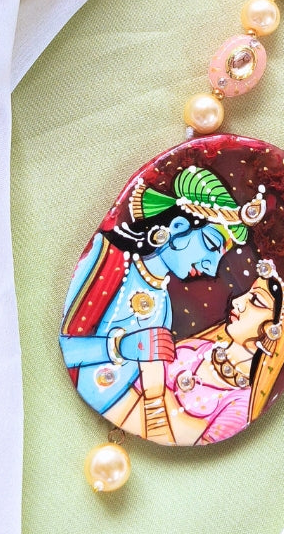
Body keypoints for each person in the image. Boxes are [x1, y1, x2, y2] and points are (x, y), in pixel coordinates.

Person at [60, 166, 267, 416]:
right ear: (178, 227)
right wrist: (119, 347)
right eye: (211, 245)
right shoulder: (104, 258)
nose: (211, 268)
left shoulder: (164, 307)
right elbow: (68, 347)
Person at [105, 260, 284, 445]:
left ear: (275, 329)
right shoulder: (195, 349)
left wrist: (155, 388)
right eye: (247, 294)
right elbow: (123, 402)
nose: (237, 302)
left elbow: (174, 437)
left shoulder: (240, 403)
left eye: (256, 301)